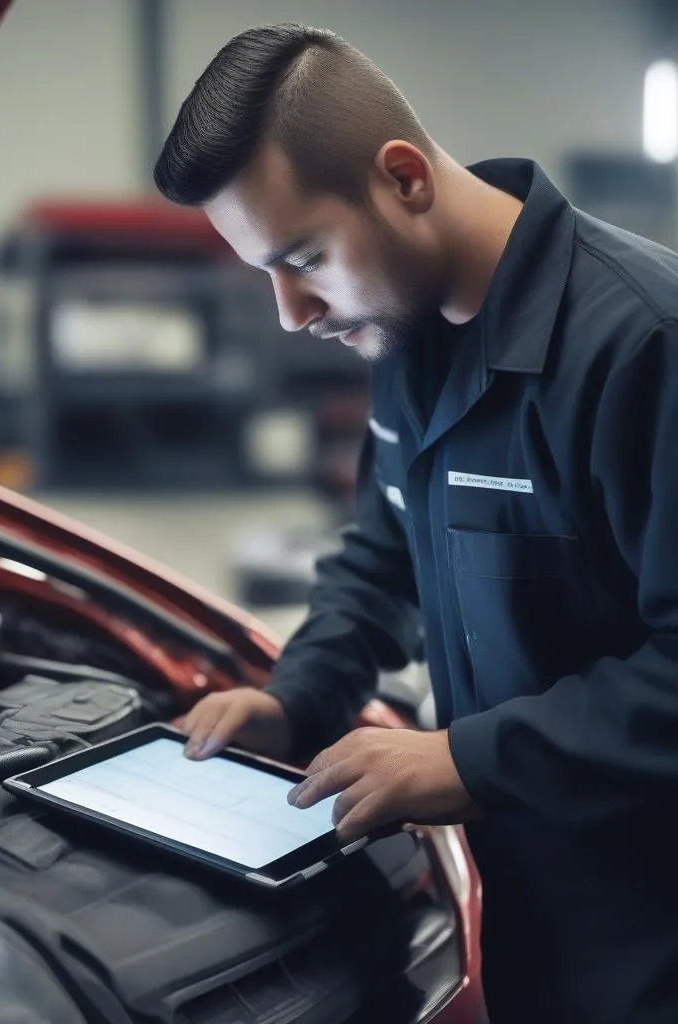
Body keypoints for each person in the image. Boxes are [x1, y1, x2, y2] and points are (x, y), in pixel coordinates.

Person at [154, 22, 678, 1024]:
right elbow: (384, 554)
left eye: (302, 256)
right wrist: (297, 696)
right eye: (262, 270)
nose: (288, 311)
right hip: (534, 908)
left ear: (403, 178)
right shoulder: (404, 334)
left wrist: (466, 759)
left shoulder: (639, 350)